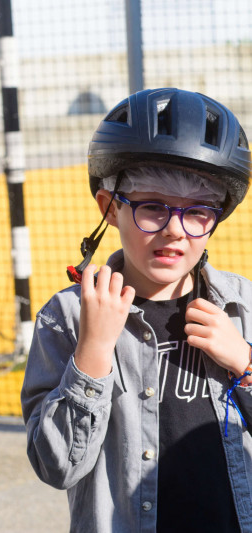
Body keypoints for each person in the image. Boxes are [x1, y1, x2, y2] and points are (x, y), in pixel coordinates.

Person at [21, 88, 252, 532]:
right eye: (152, 208)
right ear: (110, 208)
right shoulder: (67, 316)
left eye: (198, 213)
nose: (175, 233)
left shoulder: (241, 307)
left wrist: (245, 363)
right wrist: (93, 351)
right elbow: (57, 467)